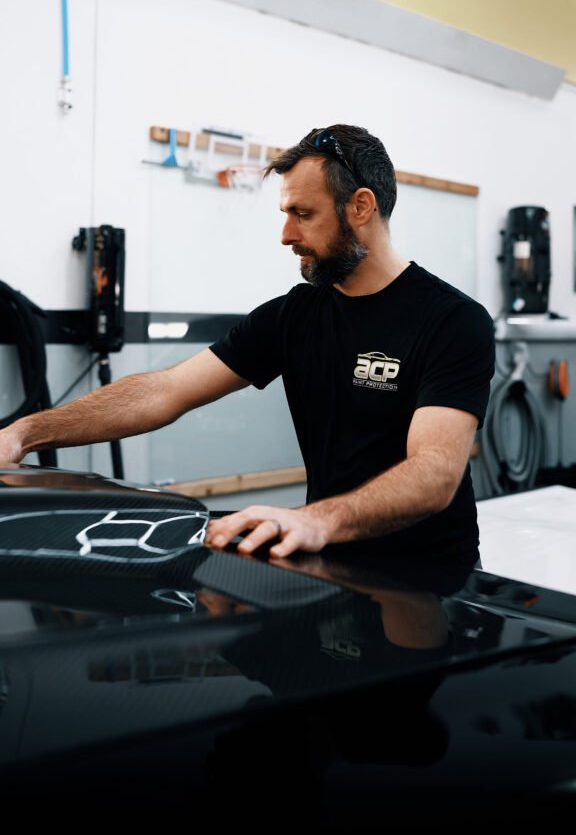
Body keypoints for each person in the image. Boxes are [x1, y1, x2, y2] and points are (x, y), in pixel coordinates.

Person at [0, 124, 495, 560]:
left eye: (302, 213)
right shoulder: (294, 315)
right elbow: (163, 391)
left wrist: (316, 519)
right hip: (328, 556)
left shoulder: (452, 321)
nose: (285, 234)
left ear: (360, 206)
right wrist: (23, 434)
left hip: (431, 578)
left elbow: (434, 471)